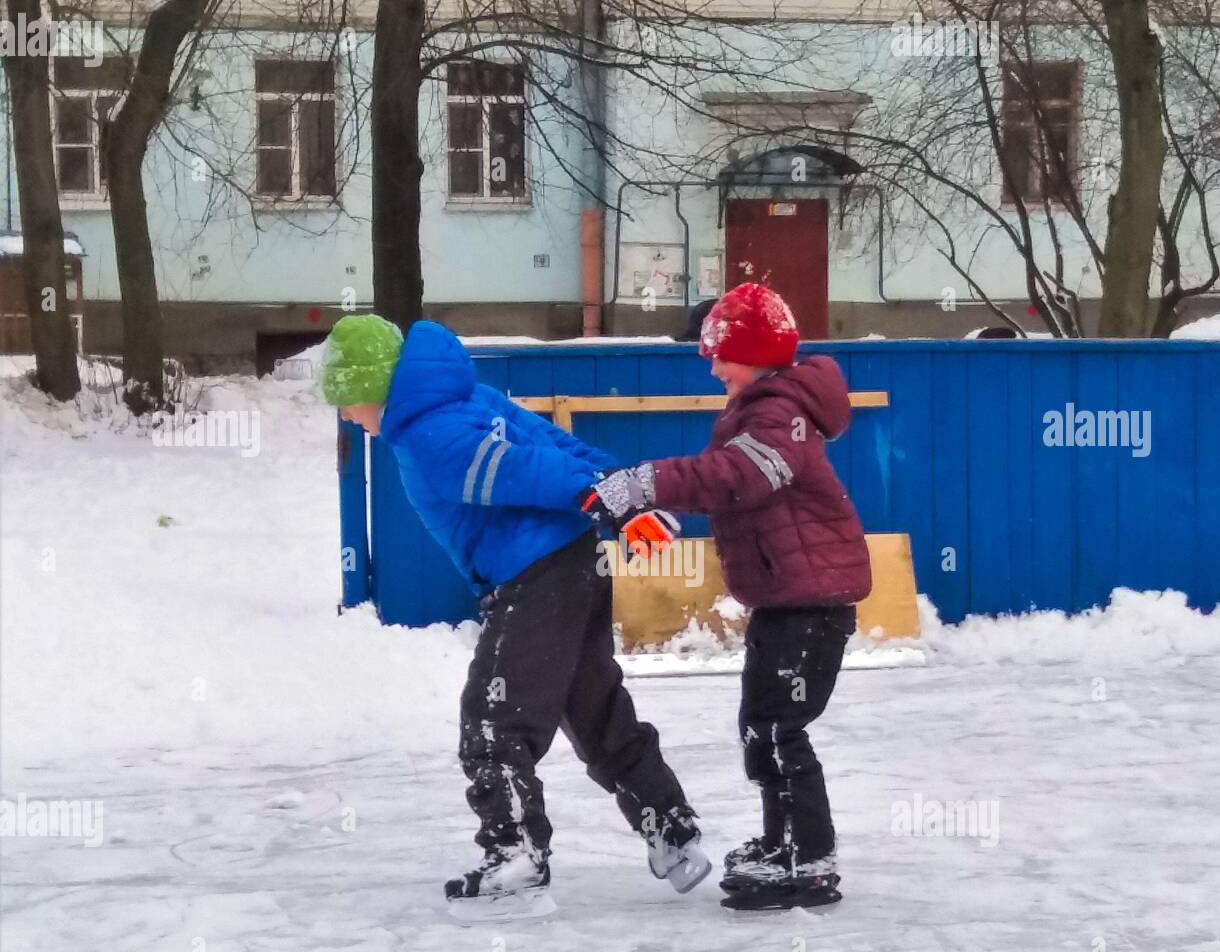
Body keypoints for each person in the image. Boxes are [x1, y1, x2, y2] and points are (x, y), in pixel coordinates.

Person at [320, 315, 710, 912]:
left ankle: (517, 852)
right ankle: (673, 833)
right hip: (575, 564)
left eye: (348, 399)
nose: (347, 414)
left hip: (535, 578)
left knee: (493, 719)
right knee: (593, 707)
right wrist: (616, 485)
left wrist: (604, 493)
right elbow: (554, 443)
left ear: (374, 383)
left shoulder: (426, 433)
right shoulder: (465, 398)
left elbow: (531, 468)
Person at [583, 284, 870, 908]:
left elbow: (741, 475)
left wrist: (646, 483)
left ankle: (807, 858)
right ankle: (785, 840)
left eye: (721, 356)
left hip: (810, 604)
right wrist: (671, 508)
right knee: (763, 726)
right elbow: (734, 486)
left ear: (756, 354)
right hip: (789, 599)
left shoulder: (777, 409)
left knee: (777, 728)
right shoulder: (765, 405)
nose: (711, 368)